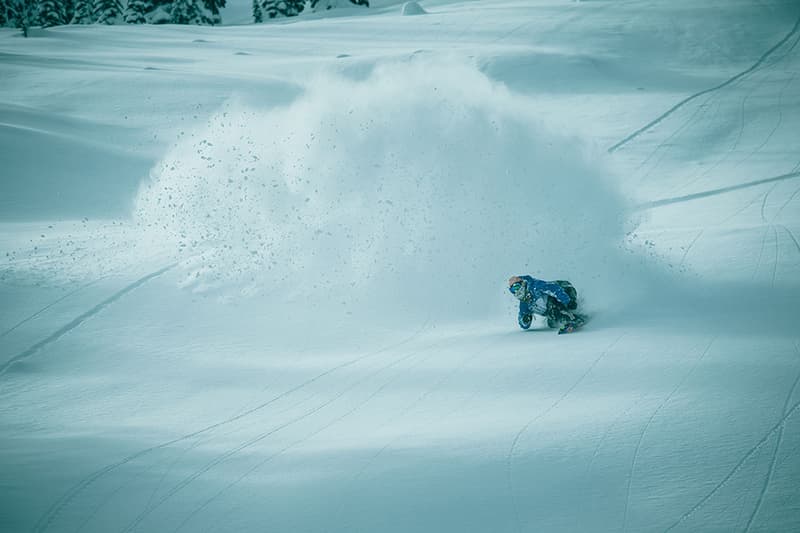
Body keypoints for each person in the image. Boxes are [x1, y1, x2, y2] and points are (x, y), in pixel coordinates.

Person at [508, 275, 585, 333]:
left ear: (522, 283)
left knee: (554, 309)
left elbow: (553, 288)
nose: (516, 291)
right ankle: (568, 318)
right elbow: (523, 323)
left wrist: (567, 301)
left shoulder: (534, 286)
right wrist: (525, 320)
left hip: (565, 290)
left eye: (516, 287)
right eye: (512, 290)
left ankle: (573, 319)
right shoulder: (524, 303)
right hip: (551, 307)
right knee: (551, 322)